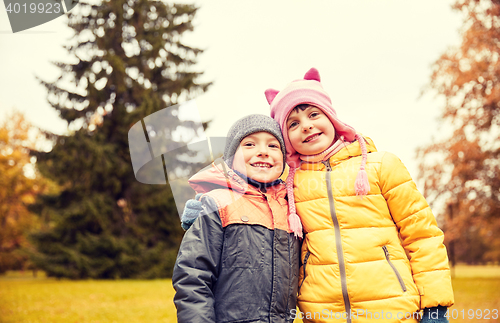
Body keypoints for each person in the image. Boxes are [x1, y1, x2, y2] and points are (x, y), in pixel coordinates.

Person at [262, 67, 454, 323]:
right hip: (322, 316)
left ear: (331, 117)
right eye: (293, 123)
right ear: (286, 137)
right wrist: (208, 206)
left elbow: (422, 235)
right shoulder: (289, 183)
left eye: (313, 114)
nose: (306, 126)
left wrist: (435, 306)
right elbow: (249, 199)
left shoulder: (381, 166)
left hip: (391, 312)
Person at [172, 114, 300, 323]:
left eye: (273, 146)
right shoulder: (217, 203)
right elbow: (193, 276)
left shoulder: (291, 209)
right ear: (231, 158)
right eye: (249, 144)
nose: (263, 151)